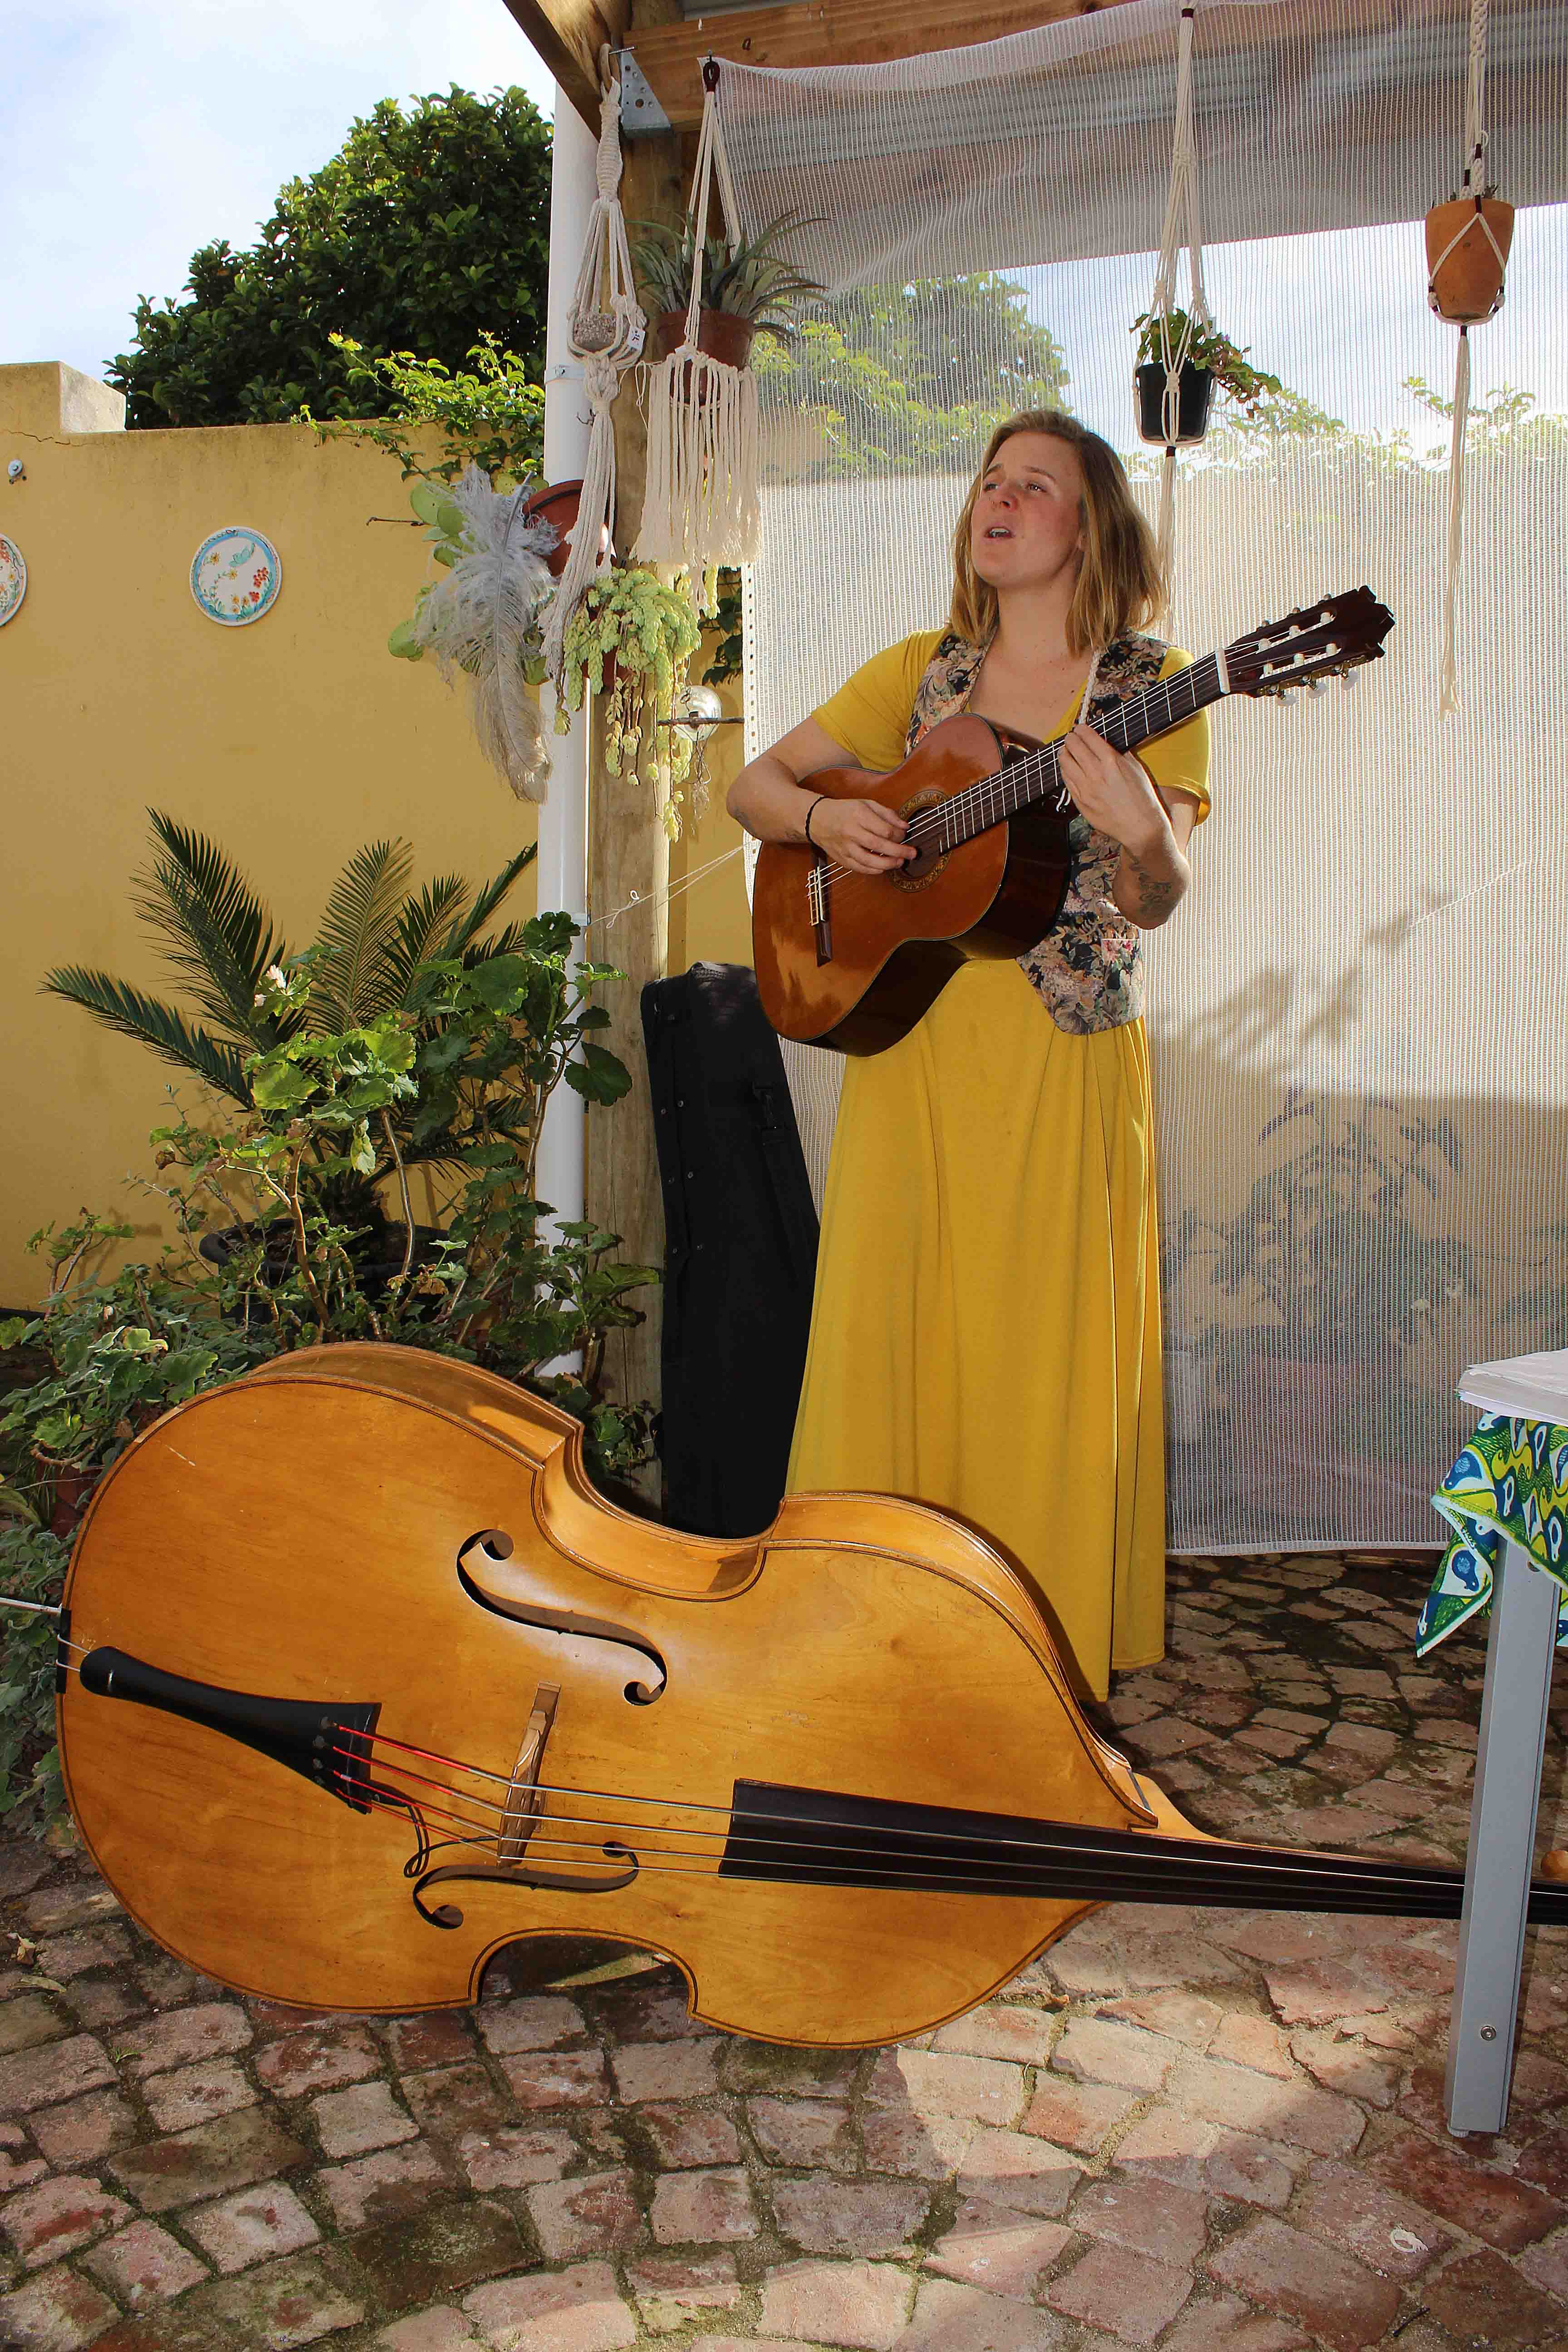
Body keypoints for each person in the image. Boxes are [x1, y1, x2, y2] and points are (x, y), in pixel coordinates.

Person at [727, 408, 1210, 1702]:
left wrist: (1148, 840)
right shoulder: (919, 673)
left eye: (1035, 486)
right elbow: (754, 789)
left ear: (1091, 523)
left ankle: (1032, 1651)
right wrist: (830, 816)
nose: (1000, 500)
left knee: (1037, 1348)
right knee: (899, 1324)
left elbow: (1154, 898)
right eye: (991, 482)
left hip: (1061, 1059)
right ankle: (873, 1612)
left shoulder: (1150, 689)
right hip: (915, 1044)